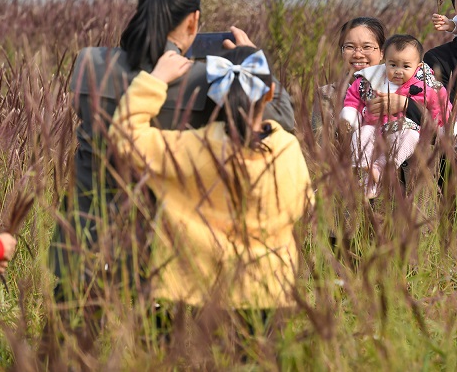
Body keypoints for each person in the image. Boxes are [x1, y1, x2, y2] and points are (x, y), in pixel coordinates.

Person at [51, 0, 295, 298]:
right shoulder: (206, 79)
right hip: (165, 255)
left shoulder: (88, 62)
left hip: (82, 242)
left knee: (71, 343)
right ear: (193, 22)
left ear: (142, 10)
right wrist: (254, 65)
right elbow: (278, 124)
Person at [108, 46, 313, 317]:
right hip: (269, 289)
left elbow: (124, 137)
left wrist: (155, 79)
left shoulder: (196, 147)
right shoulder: (287, 148)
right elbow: (304, 203)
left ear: (216, 97)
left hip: (202, 288)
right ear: (270, 93)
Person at [338, 34, 455, 198]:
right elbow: (354, 98)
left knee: (409, 136)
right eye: (393, 65)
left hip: (404, 129)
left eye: (406, 66)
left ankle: (382, 167)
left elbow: (440, 107)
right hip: (375, 129)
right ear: (384, 61)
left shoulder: (423, 86)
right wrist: (350, 115)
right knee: (361, 135)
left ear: (418, 66)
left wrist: (441, 124)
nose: (398, 71)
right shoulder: (369, 80)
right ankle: (364, 171)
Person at [312, 17, 426, 143]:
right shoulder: (327, 94)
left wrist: (407, 105)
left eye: (367, 47)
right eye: (349, 47)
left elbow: (437, 134)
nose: (358, 54)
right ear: (342, 52)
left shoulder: (415, 87)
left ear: (383, 52)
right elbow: (321, 144)